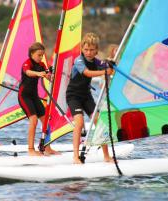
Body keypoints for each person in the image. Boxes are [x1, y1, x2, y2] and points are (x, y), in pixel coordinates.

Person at [66, 33, 114, 164]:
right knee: (79, 122)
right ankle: (75, 156)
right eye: (86, 49)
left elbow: (107, 67)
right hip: (73, 96)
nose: (88, 52)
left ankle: (106, 156)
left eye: (92, 50)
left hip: (86, 96)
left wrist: (111, 66)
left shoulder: (97, 61)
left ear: (96, 51)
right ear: (82, 49)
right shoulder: (79, 61)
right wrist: (104, 72)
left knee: (100, 122)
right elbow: (87, 73)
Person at [18, 42, 58, 156]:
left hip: (34, 96)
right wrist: (39, 73)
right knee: (34, 120)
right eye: (39, 55)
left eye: (42, 55)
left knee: (46, 121)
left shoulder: (41, 65)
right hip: (24, 96)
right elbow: (28, 73)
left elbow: (48, 76)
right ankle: (30, 149)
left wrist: (51, 76)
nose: (41, 57)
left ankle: (47, 147)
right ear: (32, 54)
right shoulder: (27, 63)